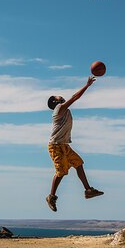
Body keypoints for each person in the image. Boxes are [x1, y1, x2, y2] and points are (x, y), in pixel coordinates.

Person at [46, 75, 104, 212]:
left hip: (64, 145)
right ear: (56, 101)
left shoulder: (63, 110)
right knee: (61, 172)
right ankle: (51, 196)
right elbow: (74, 97)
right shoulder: (59, 108)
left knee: (78, 163)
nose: (61, 96)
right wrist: (87, 85)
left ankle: (88, 190)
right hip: (55, 146)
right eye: (58, 96)